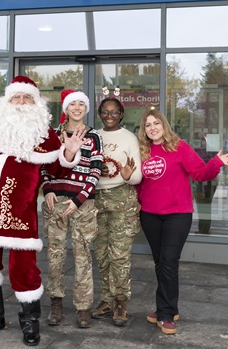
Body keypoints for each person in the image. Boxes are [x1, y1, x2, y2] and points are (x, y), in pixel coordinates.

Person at [0, 76, 85, 347]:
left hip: (19, 217)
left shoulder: (46, 134)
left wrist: (70, 154)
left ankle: (30, 323)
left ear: (36, 103)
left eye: (27, 97)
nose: (21, 102)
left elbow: (59, 170)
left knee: (24, 270)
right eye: (16, 97)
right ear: (7, 101)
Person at [137, 109, 228, 335]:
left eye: (156, 123)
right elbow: (138, 183)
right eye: (148, 125)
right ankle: (168, 307)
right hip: (150, 215)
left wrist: (216, 162)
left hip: (177, 215)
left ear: (164, 125)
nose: (152, 127)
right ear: (144, 130)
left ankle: (165, 314)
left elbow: (201, 173)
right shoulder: (143, 151)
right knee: (160, 263)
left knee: (169, 263)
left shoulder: (178, 146)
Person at [41, 89, 103, 329]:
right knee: (55, 255)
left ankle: (83, 307)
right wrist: (47, 189)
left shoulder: (94, 136)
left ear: (86, 109)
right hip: (55, 202)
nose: (77, 108)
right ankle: (56, 303)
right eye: (72, 104)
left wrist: (79, 199)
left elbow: (96, 170)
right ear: (65, 108)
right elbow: (44, 165)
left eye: (81, 104)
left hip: (83, 204)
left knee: (83, 256)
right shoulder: (53, 135)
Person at [90, 96, 142, 327]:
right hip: (96, 201)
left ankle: (121, 301)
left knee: (119, 255)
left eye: (114, 112)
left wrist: (128, 175)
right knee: (101, 253)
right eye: (105, 111)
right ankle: (107, 300)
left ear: (121, 114)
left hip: (122, 199)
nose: (109, 115)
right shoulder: (94, 137)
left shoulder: (129, 138)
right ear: (100, 114)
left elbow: (137, 174)